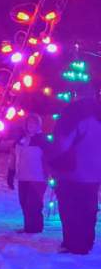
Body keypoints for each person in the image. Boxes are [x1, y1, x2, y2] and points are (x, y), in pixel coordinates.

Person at [45, 82, 101, 254]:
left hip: (73, 172)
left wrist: (52, 161)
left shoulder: (74, 114)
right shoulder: (98, 114)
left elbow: (63, 144)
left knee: (70, 208)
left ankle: (74, 243)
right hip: (94, 173)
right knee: (89, 208)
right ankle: (86, 242)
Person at [7, 114, 49, 234]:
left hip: (38, 178)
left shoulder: (42, 140)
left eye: (34, 124)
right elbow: (14, 158)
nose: (31, 126)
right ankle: (28, 227)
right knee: (24, 203)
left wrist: (50, 174)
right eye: (29, 124)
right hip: (23, 177)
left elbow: (49, 158)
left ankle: (35, 229)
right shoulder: (20, 140)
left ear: (38, 125)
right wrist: (10, 173)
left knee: (33, 204)